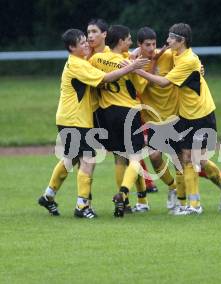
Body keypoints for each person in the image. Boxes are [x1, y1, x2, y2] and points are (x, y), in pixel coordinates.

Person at [133, 26, 221, 213]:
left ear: (181, 40)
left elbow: (162, 82)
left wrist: (135, 70)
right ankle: (214, 195)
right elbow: (146, 51)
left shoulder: (187, 60)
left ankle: (214, 195)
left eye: (171, 38)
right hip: (185, 114)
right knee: (188, 159)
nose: (167, 41)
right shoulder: (176, 53)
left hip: (201, 114)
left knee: (196, 159)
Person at [38, 28, 148, 218]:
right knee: (87, 160)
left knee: (71, 158)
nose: (86, 44)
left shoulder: (82, 62)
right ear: (72, 47)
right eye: (82, 42)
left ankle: (48, 196)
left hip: (71, 119)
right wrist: (131, 67)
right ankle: (82, 207)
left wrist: (133, 56)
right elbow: (105, 77)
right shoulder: (78, 65)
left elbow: (110, 61)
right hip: (75, 120)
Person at [87, 19, 159, 200]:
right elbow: (141, 87)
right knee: (135, 156)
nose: (131, 43)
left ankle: (130, 202)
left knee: (119, 157)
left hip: (106, 113)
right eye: (128, 39)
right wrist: (150, 69)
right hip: (128, 112)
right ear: (120, 41)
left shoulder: (96, 59)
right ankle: (124, 193)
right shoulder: (128, 63)